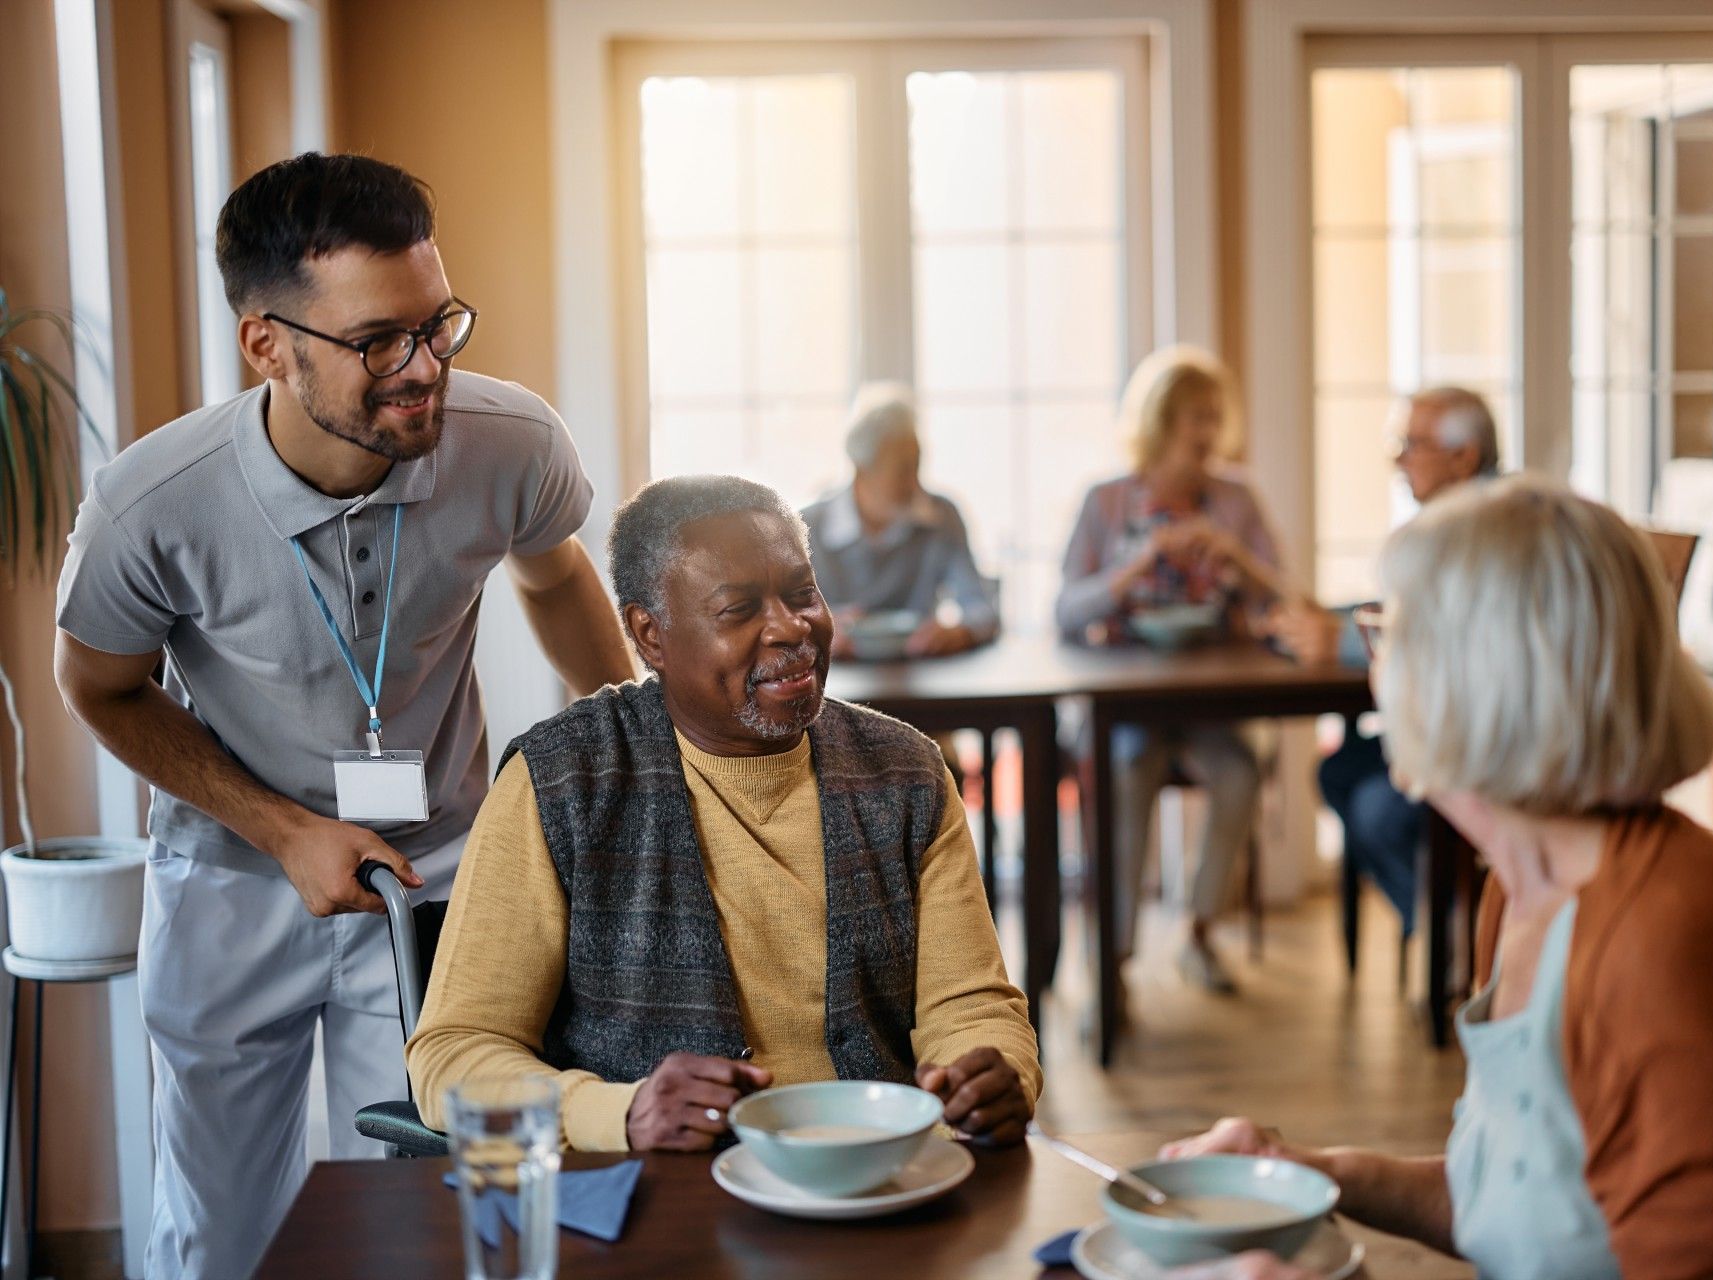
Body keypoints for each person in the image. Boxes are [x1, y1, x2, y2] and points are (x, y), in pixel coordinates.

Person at [51, 153, 634, 1280]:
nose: (424, 370)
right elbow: (97, 685)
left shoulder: (511, 442)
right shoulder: (148, 505)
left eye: (438, 324)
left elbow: (555, 576)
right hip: (230, 885)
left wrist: (630, 750)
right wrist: (281, 828)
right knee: (222, 1239)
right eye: (378, 342)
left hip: (437, 882)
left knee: (422, 1213)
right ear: (266, 342)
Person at [1164, 477, 1713, 1277]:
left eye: (1395, 634)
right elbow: (1520, 1203)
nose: (1378, 666)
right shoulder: (1520, 892)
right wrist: (1306, 1172)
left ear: (1481, 688)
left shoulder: (1670, 943)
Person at [407, 474, 1040, 1152]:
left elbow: (970, 1004)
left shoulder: (907, 772)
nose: (791, 629)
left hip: (873, 1183)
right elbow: (453, 1054)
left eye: (803, 594)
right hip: (662, 1206)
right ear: (651, 636)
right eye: (738, 612)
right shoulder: (561, 782)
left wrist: (993, 1066)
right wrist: (620, 1113)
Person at [1057, 346, 1286, 996]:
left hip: (1212, 706)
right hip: (1126, 710)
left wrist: (1238, 557)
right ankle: (1116, 959)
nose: (1208, 432)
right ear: (1160, 422)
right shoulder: (1105, 503)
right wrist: (1135, 566)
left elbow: (1283, 600)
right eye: (1195, 418)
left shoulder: (1235, 501)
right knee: (1125, 773)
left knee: (1241, 774)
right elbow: (1067, 610)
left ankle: (1200, 935)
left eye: (1215, 417)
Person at [1269, 387, 1500, 938]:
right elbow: (1411, 613)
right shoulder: (1453, 520)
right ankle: (1441, 927)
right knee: (1339, 771)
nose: (1397, 458)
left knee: (1375, 804)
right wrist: (1328, 618)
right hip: (1456, 725)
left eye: (1412, 444)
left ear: (1464, 456)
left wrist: (1340, 640)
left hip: (1488, 738)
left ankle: (1454, 934)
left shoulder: (1487, 527)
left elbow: (1449, 639)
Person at [801, 382, 998, 659]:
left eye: (917, 464)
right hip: (837, 685)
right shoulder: (808, 527)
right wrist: (816, 634)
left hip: (920, 678)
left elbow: (981, 607)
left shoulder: (941, 517)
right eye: (902, 469)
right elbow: (787, 620)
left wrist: (961, 631)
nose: (914, 482)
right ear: (862, 470)